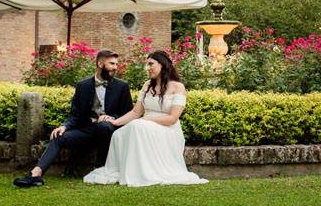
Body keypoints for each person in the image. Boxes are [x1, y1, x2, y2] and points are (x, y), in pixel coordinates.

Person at [83, 50, 207, 187]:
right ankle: (125, 170)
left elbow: (172, 119)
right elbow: (136, 112)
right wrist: (114, 121)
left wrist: (145, 120)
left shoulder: (178, 87)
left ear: (163, 65)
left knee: (137, 126)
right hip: (144, 126)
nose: (147, 68)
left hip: (167, 129)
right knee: (118, 134)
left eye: (151, 64)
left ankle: (145, 173)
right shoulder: (147, 85)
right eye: (146, 64)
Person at [13, 49, 132, 187]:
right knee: (58, 136)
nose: (115, 67)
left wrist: (110, 118)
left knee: (103, 126)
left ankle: (101, 170)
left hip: (108, 131)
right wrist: (64, 126)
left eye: (116, 64)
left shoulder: (122, 86)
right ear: (100, 64)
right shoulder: (83, 85)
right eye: (112, 64)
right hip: (86, 130)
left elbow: (127, 113)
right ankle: (36, 174)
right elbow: (75, 114)